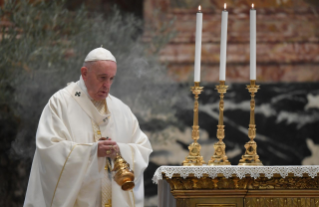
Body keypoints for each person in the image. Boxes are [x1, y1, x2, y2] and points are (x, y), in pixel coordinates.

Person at [24, 47, 153, 207]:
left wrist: (119, 151)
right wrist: (92, 152)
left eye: (111, 79)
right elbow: (49, 148)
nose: (107, 85)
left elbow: (142, 148)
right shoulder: (62, 102)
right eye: (102, 77)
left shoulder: (120, 109)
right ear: (84, 73)